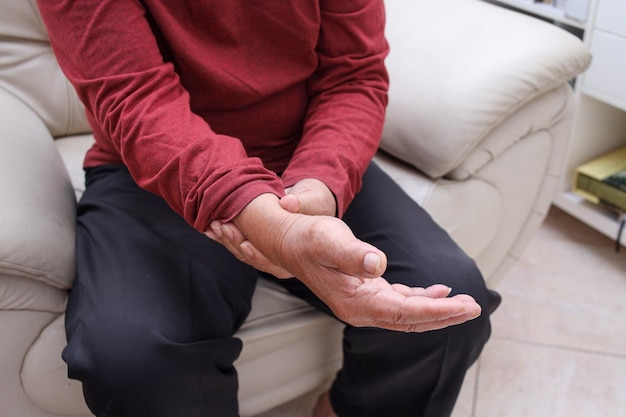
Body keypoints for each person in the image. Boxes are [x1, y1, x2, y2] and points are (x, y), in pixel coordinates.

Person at [37, 1, 500, 416]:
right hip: (153, 172)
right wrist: (269, 224)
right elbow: (136, 101)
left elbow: (354, 75)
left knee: (449, 300)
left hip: (304, 156)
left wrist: (318, 191)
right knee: (132, 360)